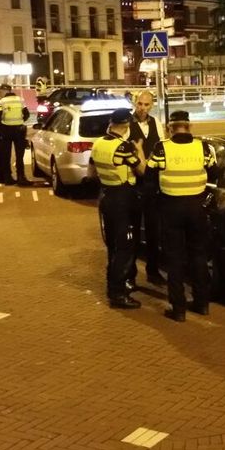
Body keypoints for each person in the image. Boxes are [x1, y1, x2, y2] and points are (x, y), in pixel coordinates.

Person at [146, 110, 217, 322]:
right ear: (189, 126)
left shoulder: (161, 148)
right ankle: (201, 303)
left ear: (170, 128)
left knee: (174, 258)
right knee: (198, 256)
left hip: (171, 207)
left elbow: (150, 179)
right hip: (197, 207)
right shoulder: (203, 147)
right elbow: (214, 174)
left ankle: (178, 308)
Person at [90, 108, 145, 310]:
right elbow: (142, 170)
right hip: (124, 198)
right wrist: (138, 149)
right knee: (125, 248)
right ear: (126, 126)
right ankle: (118, 293)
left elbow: (91, 171)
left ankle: (113, 286)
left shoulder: (98, 143)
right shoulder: (123, 147)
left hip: (107, 196)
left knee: (113, 246)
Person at [127, 91, 166, 287]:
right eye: (140, 104)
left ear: (152, 105)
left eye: (147, 105)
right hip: (134, 185)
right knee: (132, 231)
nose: (143, 108)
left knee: (153, 231)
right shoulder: (127, 124)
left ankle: (153, 270)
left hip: (152, 185)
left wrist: (149, 162)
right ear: (135, 103)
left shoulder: (156, 123)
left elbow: (160, 146)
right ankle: (130, 274)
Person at [0, 83, 30, 186]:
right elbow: (27, 114)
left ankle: (8, 178)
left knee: (6, 155)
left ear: (4, 91)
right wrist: (20, 121)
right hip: (19, 130)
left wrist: (0, 127)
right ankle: (21, 177)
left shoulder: (1, 102)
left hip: (6, 130)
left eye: (0, 91)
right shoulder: (20, 100)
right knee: (20, 156)